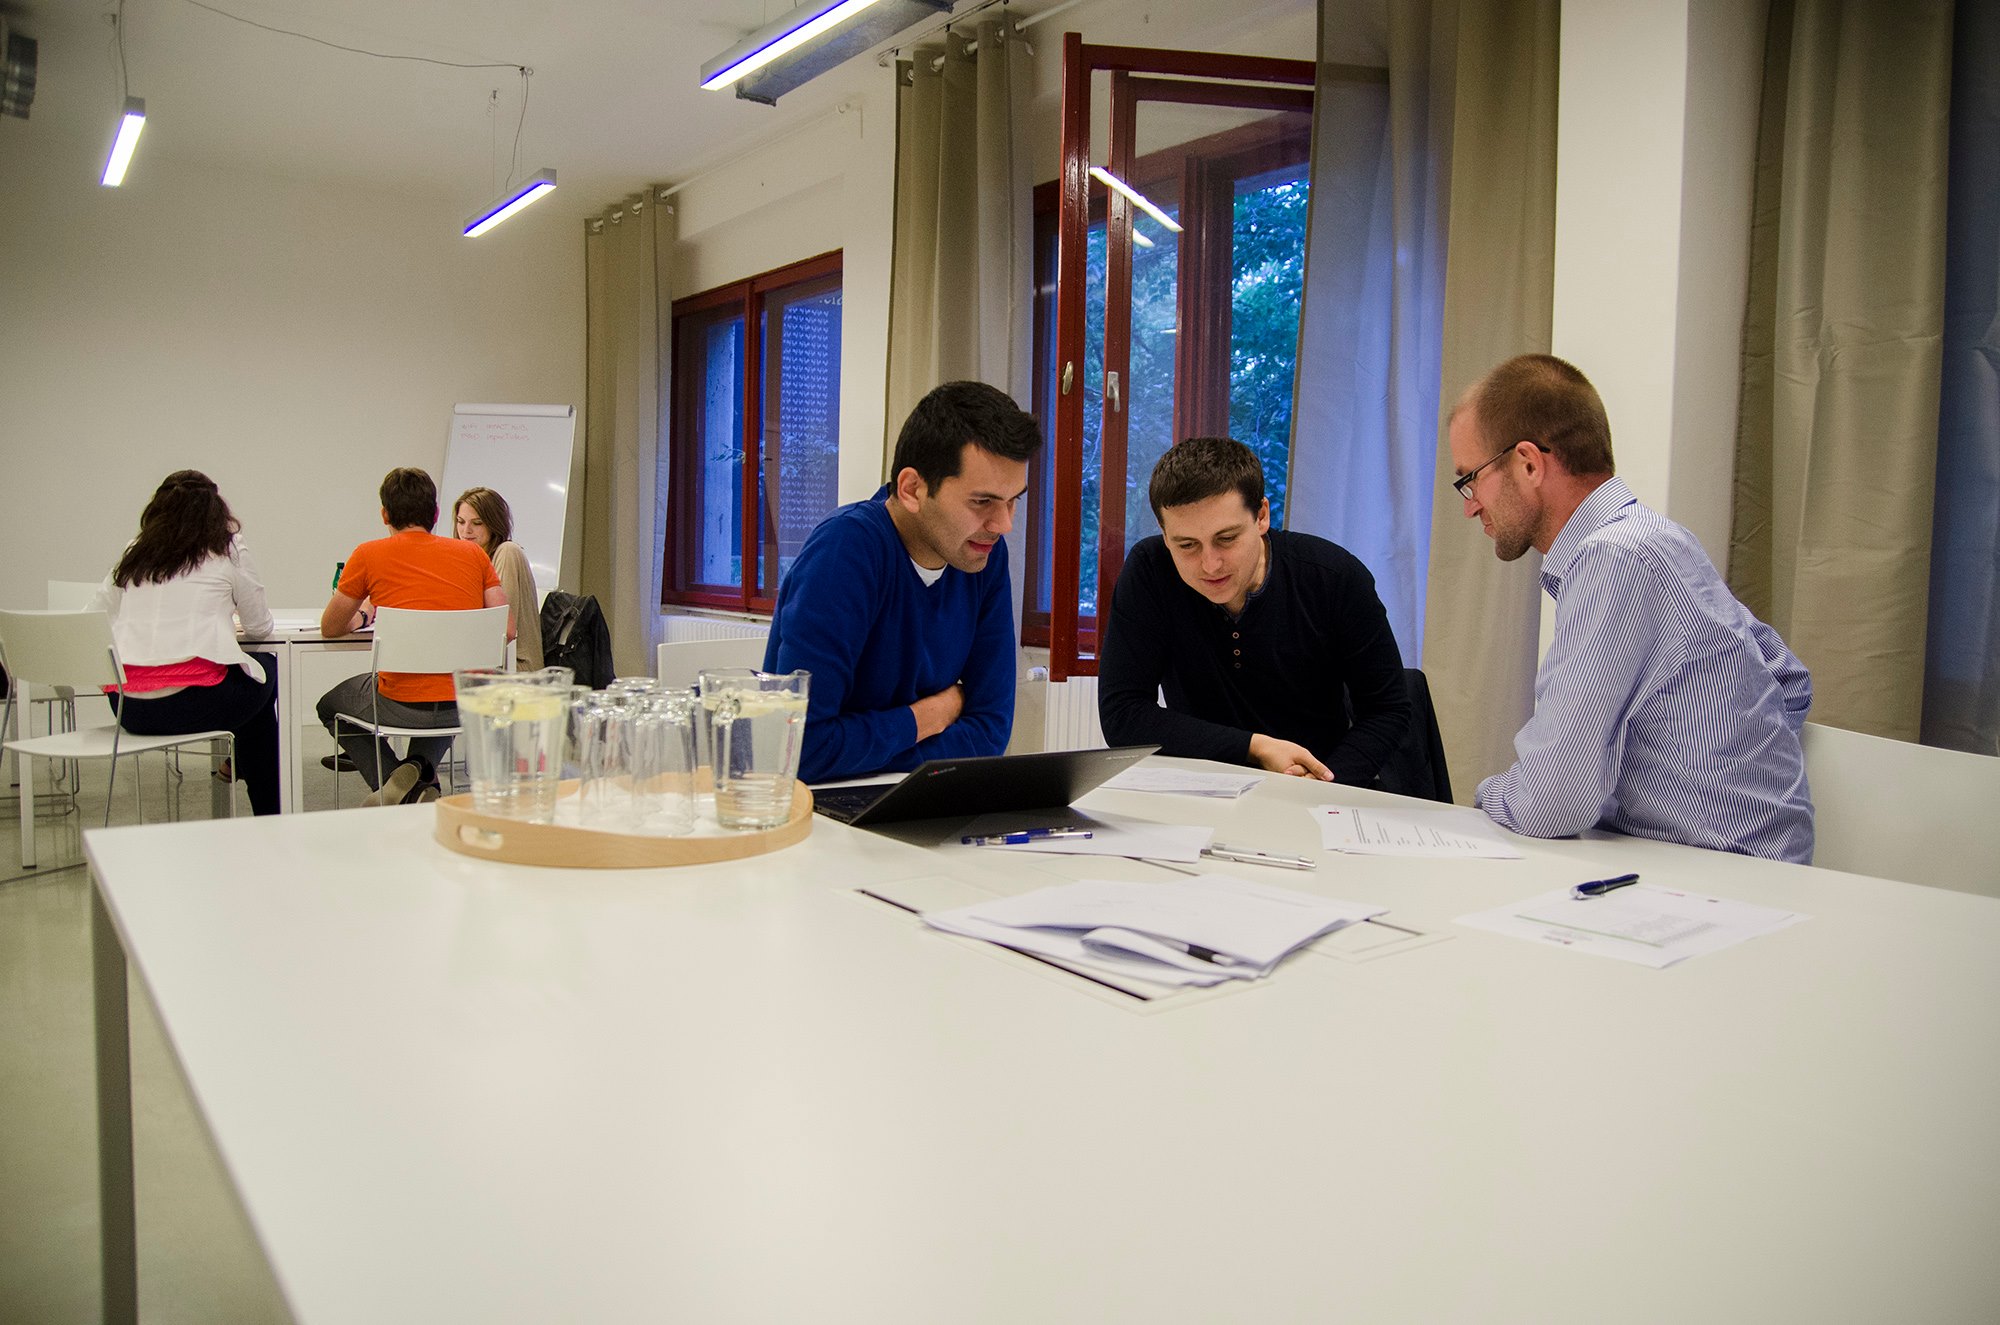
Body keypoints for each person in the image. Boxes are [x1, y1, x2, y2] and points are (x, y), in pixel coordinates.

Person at [1449, 353, 1813, 862]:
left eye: (1470, 478)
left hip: (1721, 873)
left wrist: (1486, 794)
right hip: (1721, 860)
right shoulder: (1657, 538)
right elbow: (1790, 682)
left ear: (1529, 463)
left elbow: (1551, 802)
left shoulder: (1615, 558)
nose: (1469, 505)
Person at [765, 380, 1041, 783]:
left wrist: (870, 743)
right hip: (819, 804)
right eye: (982, 501)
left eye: (1014, 500)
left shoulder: (982, 554)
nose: (1004, 525)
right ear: (912, 489)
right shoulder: (845, 550)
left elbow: (989, 733)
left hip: (915, 795)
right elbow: (802, 748)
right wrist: (929, 717)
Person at [1097, 436, 1411, 783]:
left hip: (1320, 787)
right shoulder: (1151, 571)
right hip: (1202, 788)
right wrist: (1255, 747)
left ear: (1261, 516)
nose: (1210, 564)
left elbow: (1387, 710)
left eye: (1226, 538)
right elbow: (1122, 715)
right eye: (1187, 545)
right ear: (1164, 532)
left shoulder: (1334, 577)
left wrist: (1324, 783)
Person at [88, 470, 281, 816]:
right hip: (194, 703)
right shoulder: (229, 548)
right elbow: (259, 628)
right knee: (267, 669)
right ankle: (267, 810)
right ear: (215, 509)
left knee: (254, 697)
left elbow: (93, 617)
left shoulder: (136, 551)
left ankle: (240, 768)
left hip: (128, 708)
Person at [316, 467, 507, 806]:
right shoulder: (475, 555)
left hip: (399, 704)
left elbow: (330, 627)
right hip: (463, 703)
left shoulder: (368, 554)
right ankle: (419, 776)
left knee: (329, 705)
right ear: (436, 513)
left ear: (385, 515)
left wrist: (365, 614)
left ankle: (397, 783)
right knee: (445, 685)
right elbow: (506, 627)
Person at [453, 486, 543, 670]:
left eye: (477, 523)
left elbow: (499, 627)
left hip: (515, 669)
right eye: (460, 522)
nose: (466, 530)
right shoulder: (470, 561)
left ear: (493, 524)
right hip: (487, 664)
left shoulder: (507, 552)